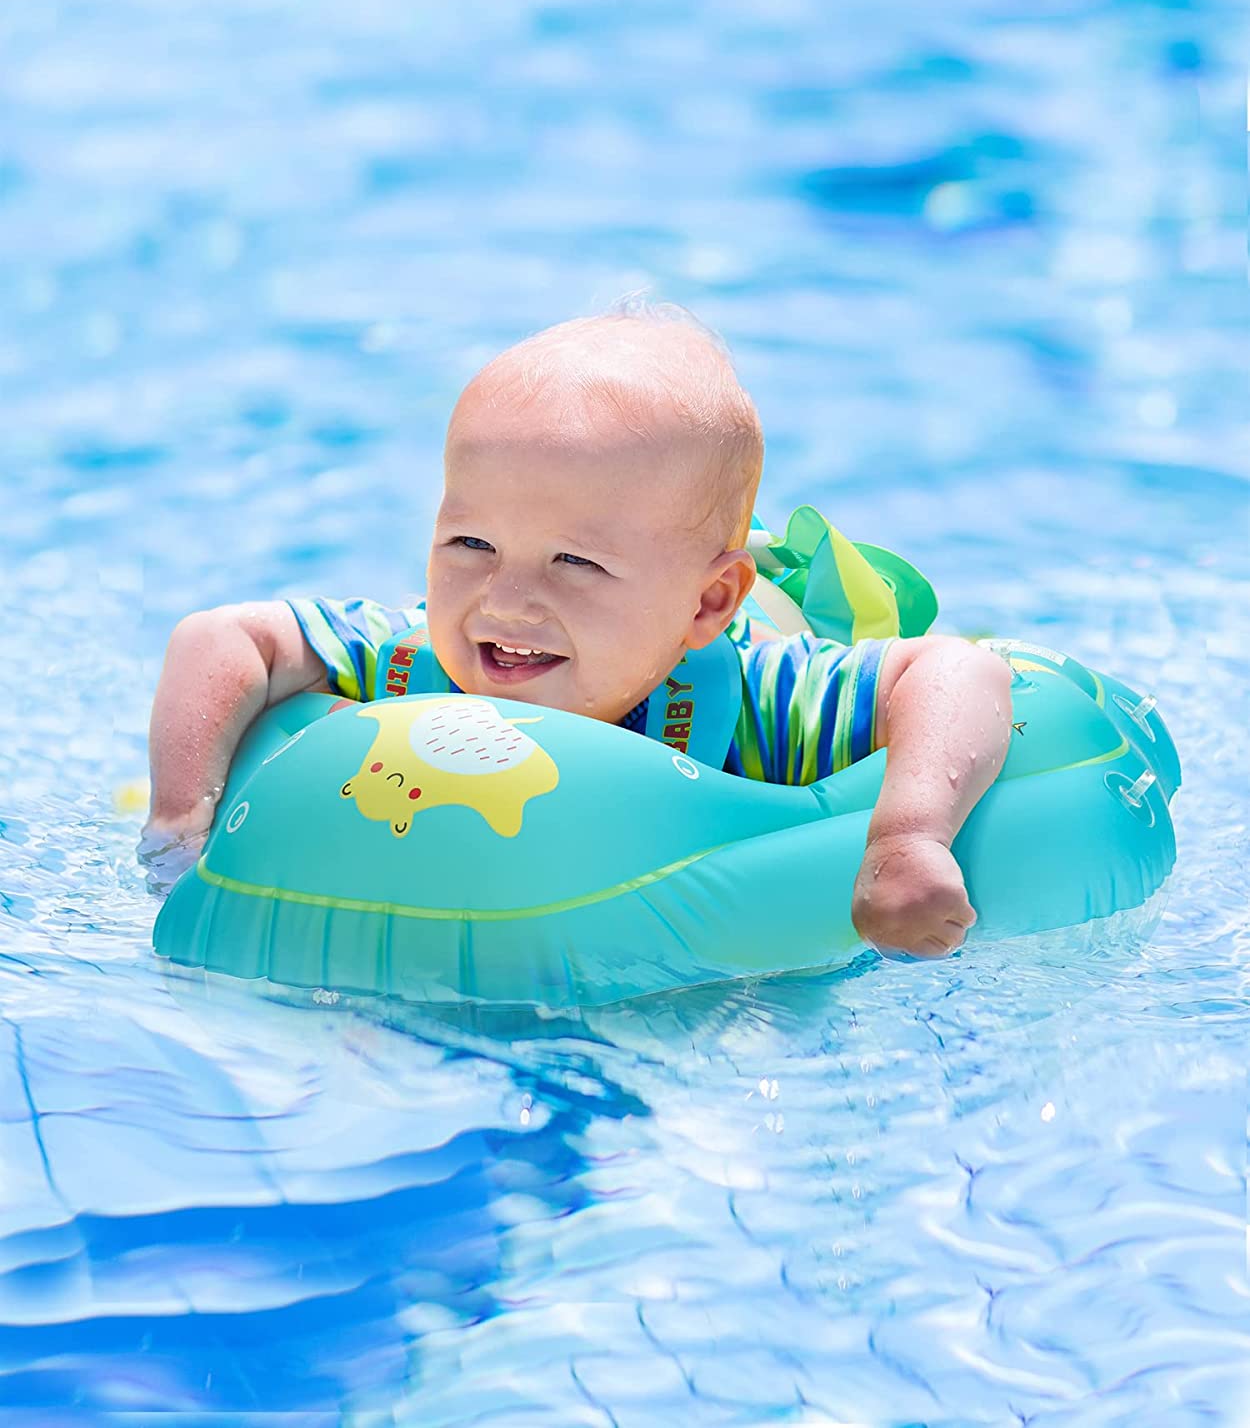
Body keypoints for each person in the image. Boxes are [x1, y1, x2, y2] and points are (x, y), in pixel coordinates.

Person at [140, 301, 1012, 959]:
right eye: (471, 543)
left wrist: (906, 835)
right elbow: (220, 639)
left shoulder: (758, 695)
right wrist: (181, 827)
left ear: (707, 606)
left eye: (575, 563)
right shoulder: (412, 661)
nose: (506, 602)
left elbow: (962, 675)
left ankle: (793, 576)